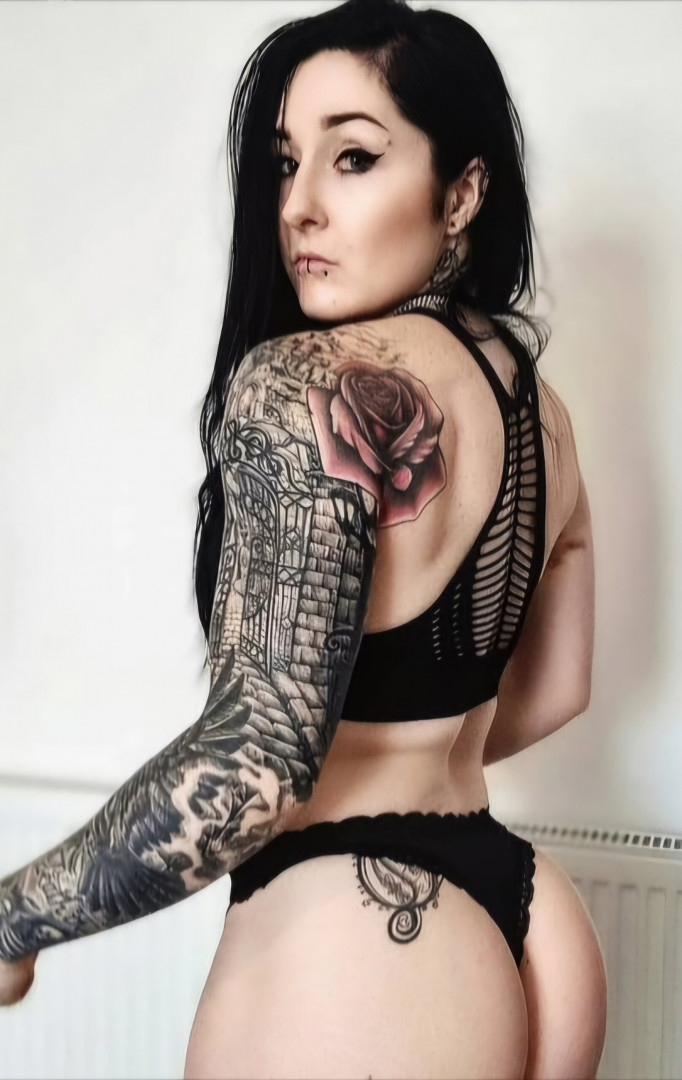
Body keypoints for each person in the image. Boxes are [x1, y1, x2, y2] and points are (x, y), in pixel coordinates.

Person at [0, 1, 606, 1077]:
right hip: (526, 917)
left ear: (461, 191)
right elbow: (559, 689)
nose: (298, 207)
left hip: (361, 948)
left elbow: (255, 762)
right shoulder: (540, 411)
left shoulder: (304, 383)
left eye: (354, 158)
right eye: (285, 163)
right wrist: (409, 758)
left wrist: (14, 918)